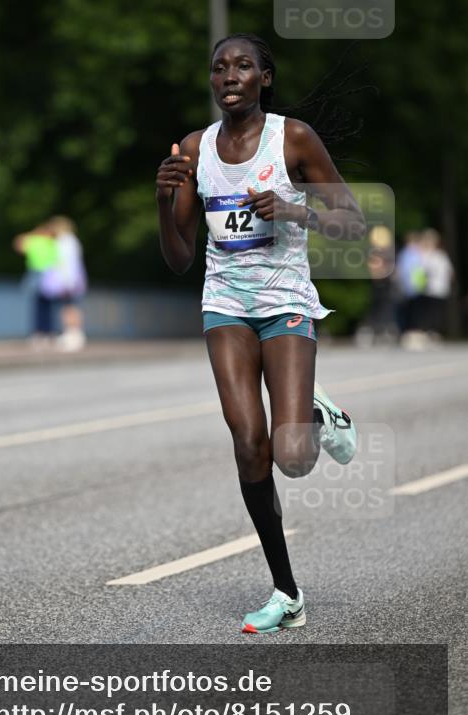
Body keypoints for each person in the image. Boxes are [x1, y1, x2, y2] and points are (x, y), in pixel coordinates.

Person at [156, 33, 366, 635]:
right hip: (224, 304)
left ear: (264, 79)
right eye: (219, 66)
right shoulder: (196, 149)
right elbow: (177, 258)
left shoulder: (292, 138)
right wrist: (163, 198)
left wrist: (296, 209)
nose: (230, 75)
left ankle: (319, 416)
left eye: (243, 66)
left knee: (293, 457)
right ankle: (287, 592)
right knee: (249, 442)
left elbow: (354, 224)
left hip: (287, 303)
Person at [12, 223, 61, 346]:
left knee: (41, 305)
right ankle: (45, 333)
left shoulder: (38, 240)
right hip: (46, 274)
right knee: (45, 306)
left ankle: (42, 333)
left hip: (44, 274)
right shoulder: (49, 241)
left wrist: (33, 233)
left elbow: (18, 244)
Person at [46, 217, 88, 352]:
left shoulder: (65, 241)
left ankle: (73, 335)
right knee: (70, 307)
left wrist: (68, 281)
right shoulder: (71, 240)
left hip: (68, 280)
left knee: (69, 308)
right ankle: (73, 334)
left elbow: (67, 263)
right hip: (71, 279)